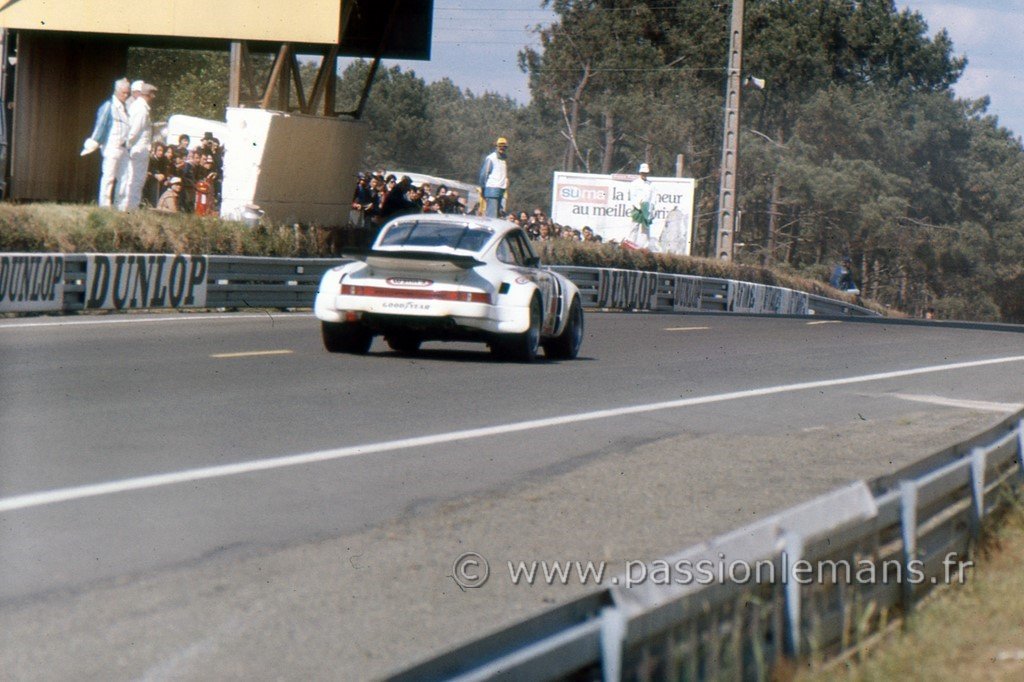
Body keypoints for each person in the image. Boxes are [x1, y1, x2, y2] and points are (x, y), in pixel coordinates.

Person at [81, 78, 131, 207]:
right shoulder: (109, 105)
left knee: (125, 178)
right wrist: (94, 142)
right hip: (112, 146)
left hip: (123, 147)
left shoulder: (126, 108)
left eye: (127, 93)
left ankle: (120, 206)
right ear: (117, 91)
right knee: (109, 176)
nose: (126, 95)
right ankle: (105, 205)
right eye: (124, 93)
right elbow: (100, 126)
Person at [121, 81, 157, 211]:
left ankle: (128, 206)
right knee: (137, 179)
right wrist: (127, 145)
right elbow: (134, 131)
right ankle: (131, 207)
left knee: (132, 178)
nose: (154, 97)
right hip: (139, 149)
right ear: (148, 95)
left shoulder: (137, 106)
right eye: (153, 94)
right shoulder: (142, 110)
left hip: (136, 148)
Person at [625, 163, 657, 249]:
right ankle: (631, 244)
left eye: (646, 173)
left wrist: (651, 209)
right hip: (637, 207)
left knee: (645, 229)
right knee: (634, 226)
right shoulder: (634, 183)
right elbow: (632, 196)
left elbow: (653, 197)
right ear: (640, 172)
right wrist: (638, 207)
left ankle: (644, 246)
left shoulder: (651, 184)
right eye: (643, 172)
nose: (644, 174)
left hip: (647, 207)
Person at [478, 136, 509, 218]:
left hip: (501, 190)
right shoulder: (491, 158)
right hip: (492, 189)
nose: (502, 148)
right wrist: (483, 188)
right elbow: (484, 174)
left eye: (504, 146)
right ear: (496, 146)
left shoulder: (504, 159)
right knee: (492, 216)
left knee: (499, 216)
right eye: (500, 146)